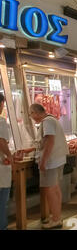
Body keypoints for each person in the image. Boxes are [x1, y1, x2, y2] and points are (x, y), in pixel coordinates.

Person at [29, 103, 69, 229]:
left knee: (50, 190)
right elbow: (45, 141)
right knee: (55, 189)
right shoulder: (52, 119)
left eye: (31, 114)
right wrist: (28, 150)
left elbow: (50, 140)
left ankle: (56, 219)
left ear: (36, 112)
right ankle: (57, 216)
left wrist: (43, 160)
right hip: (57, 159)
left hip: (51, 161)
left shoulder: (47, 122)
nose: (31, 116)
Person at [0, 94, 13, 230]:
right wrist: (9, 155)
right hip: (1, 166)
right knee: (2, 201)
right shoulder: (1, 121)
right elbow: (1, 141)